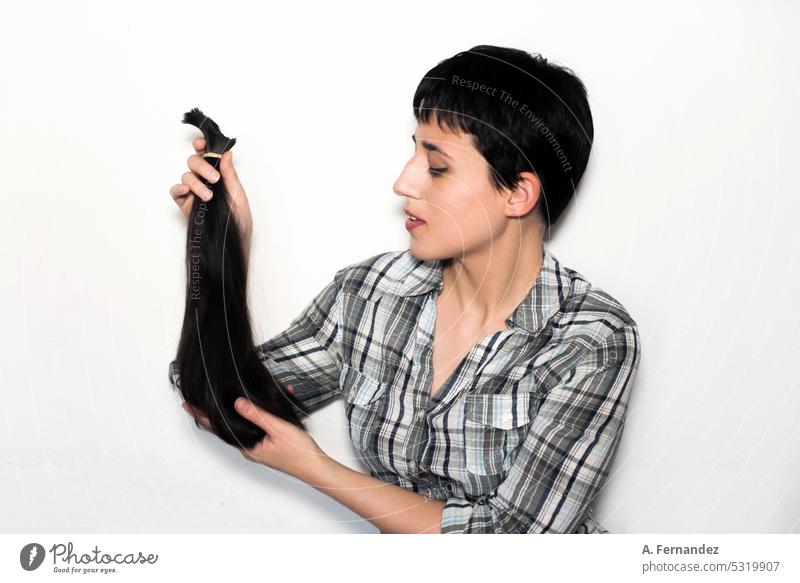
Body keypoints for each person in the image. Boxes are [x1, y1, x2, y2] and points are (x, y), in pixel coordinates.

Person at [168, 45, 642, 534]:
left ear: (517, 194)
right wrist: (221, 243)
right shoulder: (372, 293)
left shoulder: (591, 338)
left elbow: (518, 541)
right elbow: (224, 399)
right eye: (413, 150)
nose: (403, 183)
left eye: (437, 166)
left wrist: (315, 468)